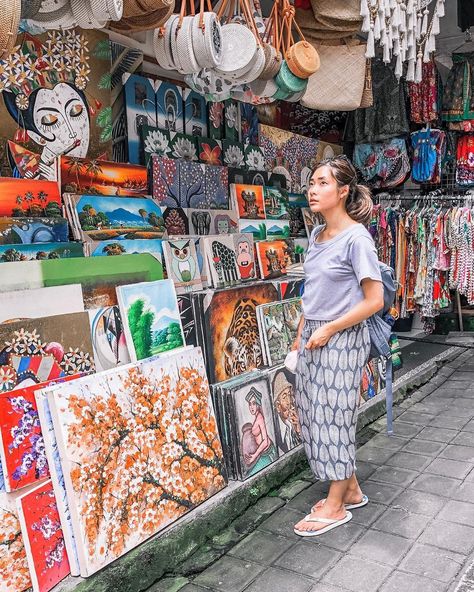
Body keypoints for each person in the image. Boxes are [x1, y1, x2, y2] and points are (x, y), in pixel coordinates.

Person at [292, 155, 383, 537]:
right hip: (313, 333)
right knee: (312, 412)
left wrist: (329, 329)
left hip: (342, 336)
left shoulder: (357, 238)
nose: (313, 190)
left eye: (323, 183)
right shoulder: (316, 236)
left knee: (334, 415)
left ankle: (334, 505)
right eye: (312, 182)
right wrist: (300, 333)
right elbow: (311, 292)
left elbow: (374, 299)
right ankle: (352, 489)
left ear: (343, 191)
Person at [243, 387, 278, 476]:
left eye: (254, 403)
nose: (251, 407)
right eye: (250, 404)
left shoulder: (260, 418)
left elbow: (265, 441)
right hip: (262, 453)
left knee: (251, 474)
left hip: (267, 453)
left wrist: (254, 455)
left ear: (258, 404)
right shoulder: (257, 417)